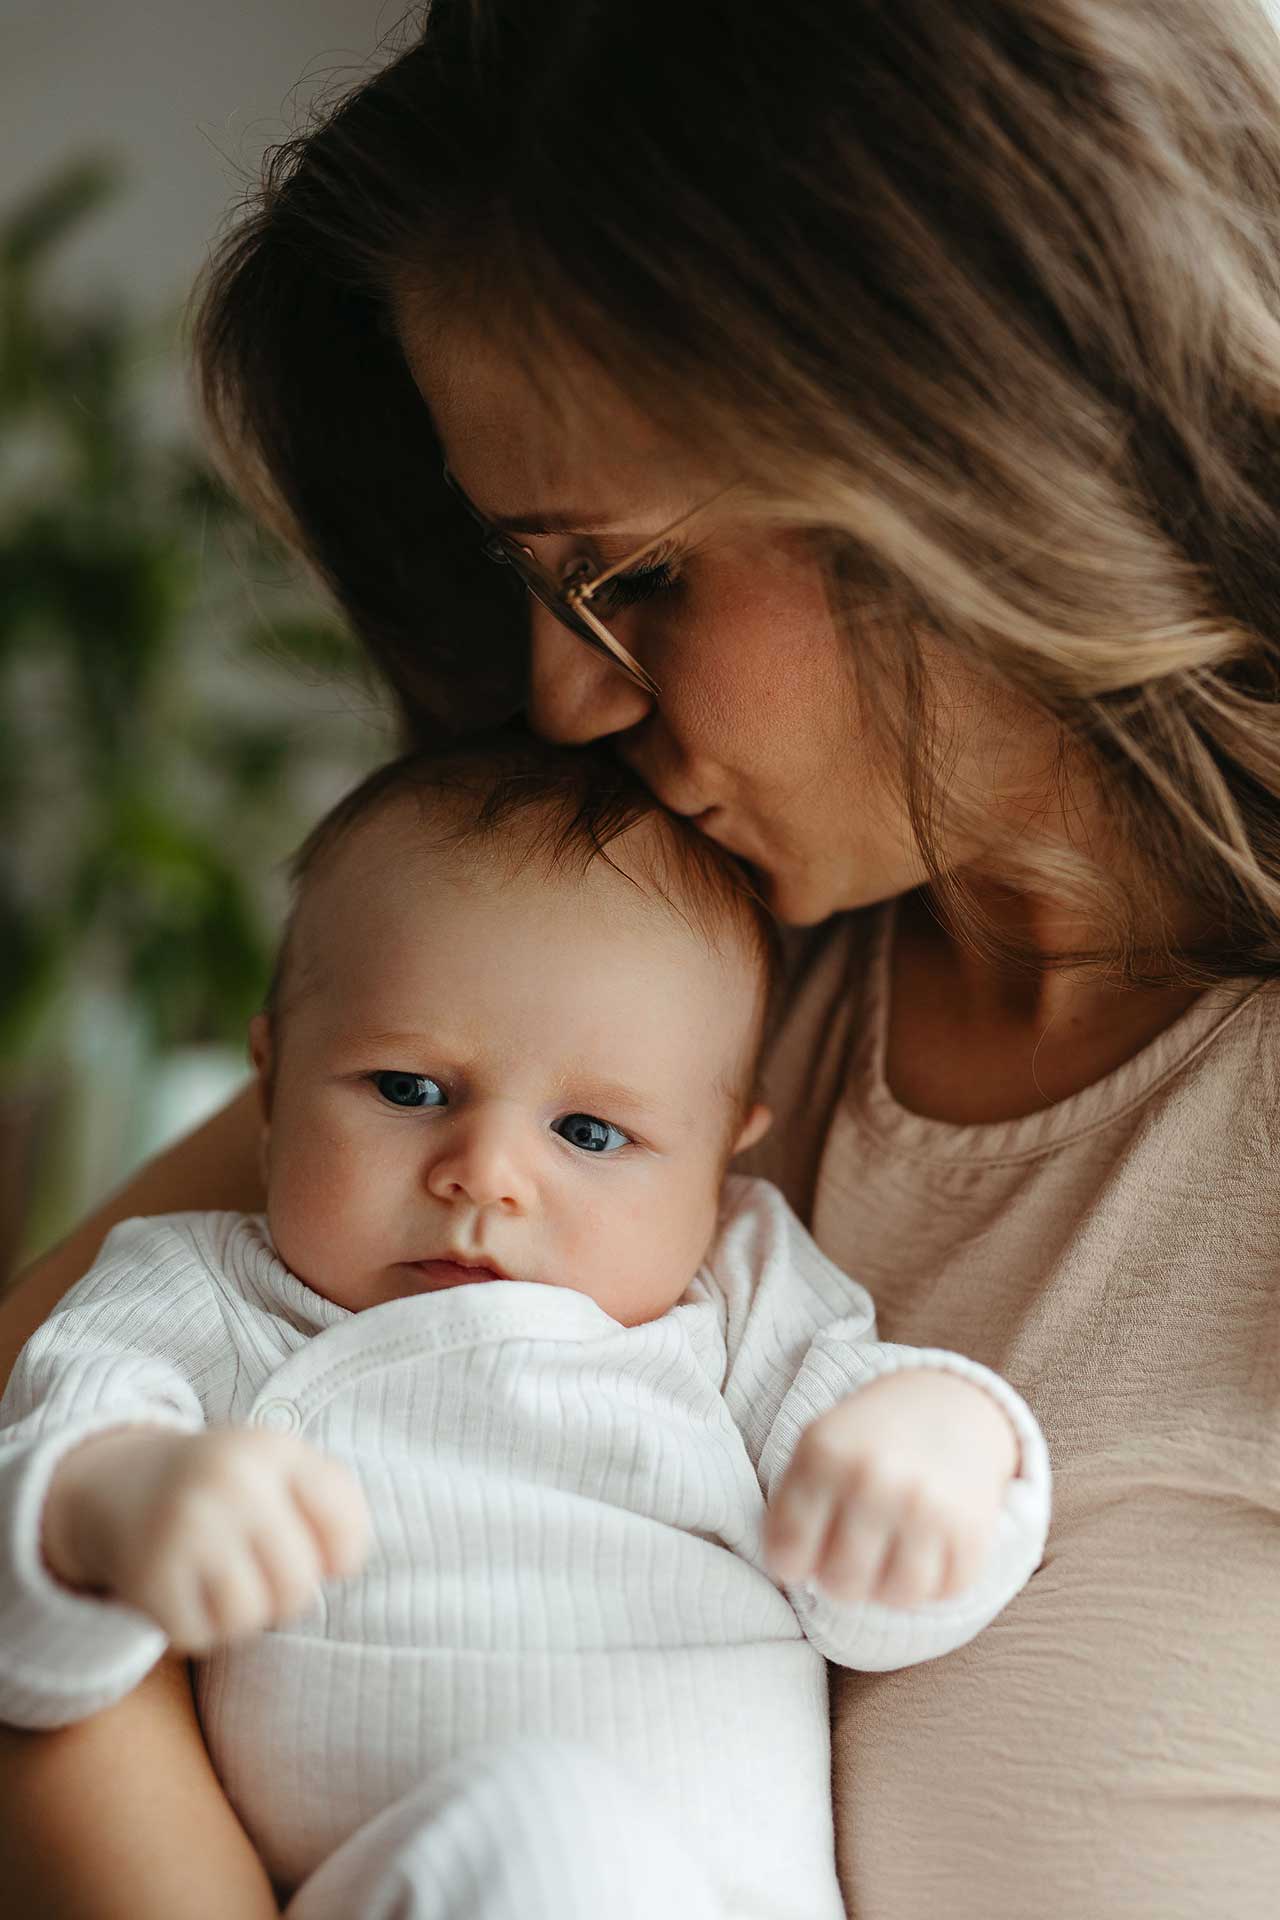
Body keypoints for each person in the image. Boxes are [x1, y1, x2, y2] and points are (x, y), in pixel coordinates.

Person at [3, 1, 1279, 1914]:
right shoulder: (609, 987)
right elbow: (31, 1464)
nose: (563, 700)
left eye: (637, 577)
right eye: (529, 583)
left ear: (993, 460)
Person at [0, 740, 1049, 1920]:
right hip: (433, 1880)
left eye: (590, 1134)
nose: (485, 1176)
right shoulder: (200, 1290)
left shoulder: (737, 1290)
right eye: (408, 1090)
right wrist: (101, 1508)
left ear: (720, 1164)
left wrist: (944, 1438)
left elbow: (878, 1609)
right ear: (271, 1079)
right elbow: (23, 1588)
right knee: (548, 1823)